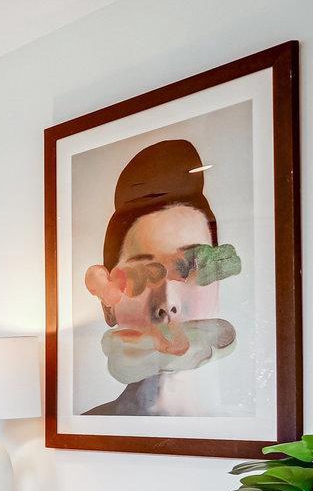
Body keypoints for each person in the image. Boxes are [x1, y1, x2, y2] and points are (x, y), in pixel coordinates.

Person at [80, 138, 238, 416]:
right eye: (139, 276)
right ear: (108, 305)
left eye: (191, 268)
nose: (167, 303)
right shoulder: (90, 424)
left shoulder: (238, 421)